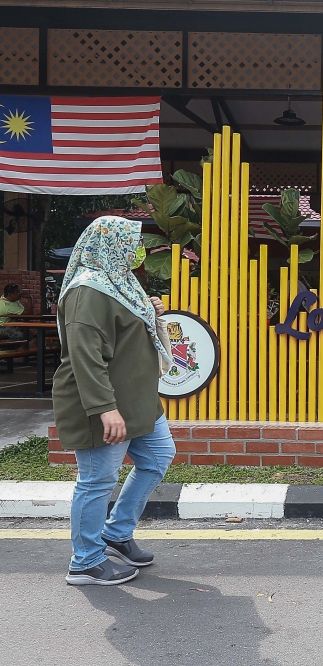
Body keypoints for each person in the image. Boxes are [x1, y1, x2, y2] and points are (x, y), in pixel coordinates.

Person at [54, 217, 174, 586]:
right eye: (131, 243)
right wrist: (106, 409)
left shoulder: (119, 283)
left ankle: (116, 533)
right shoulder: (87, 291)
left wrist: (150, 311)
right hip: (104, 405)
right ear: (110, 245)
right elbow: (85, 357)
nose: (136, 250)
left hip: (137, 400)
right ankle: (86, 561)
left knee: (157, 457)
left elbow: (127, 330)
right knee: (96, 481)